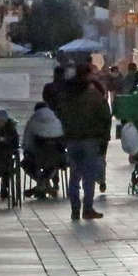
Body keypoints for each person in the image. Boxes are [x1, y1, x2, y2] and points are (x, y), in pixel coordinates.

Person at [56, 66, 112, 220]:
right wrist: (104, 137)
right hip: (90, 139)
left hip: (72, 139)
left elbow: (60, 114)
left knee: (74, 175)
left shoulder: (66, 97)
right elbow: (105, 116)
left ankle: (75, 208)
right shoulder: (93, 96)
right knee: (89, 176)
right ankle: (87, 208)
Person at [22, 102, 65, 198]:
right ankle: (44, 184)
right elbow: (63, 142)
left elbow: (27, 143)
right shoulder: (57, 121)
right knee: (53, 165)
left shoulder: (32, 122)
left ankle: (41, 184)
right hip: (57, 159)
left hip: (37, 158)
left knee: (25, 164)